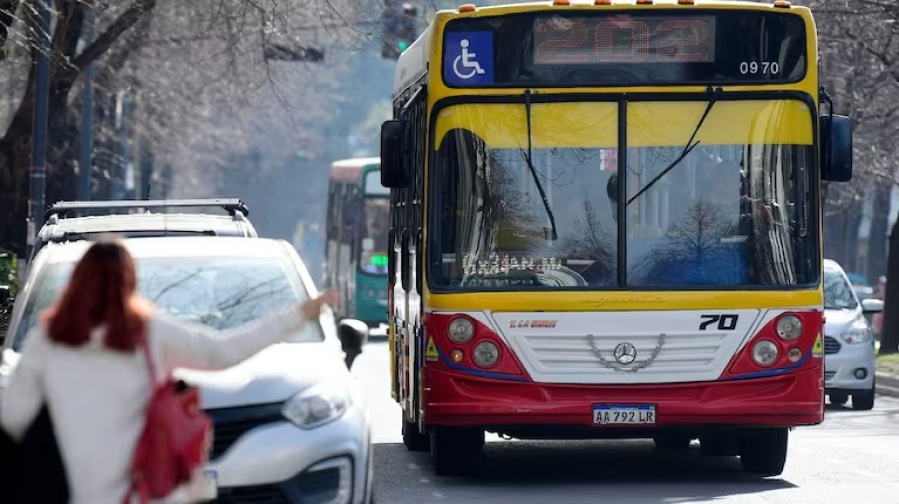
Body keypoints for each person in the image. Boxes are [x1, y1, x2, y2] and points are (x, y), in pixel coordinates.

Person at [0, 238, 338, 504]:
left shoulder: (48, 339)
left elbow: (13, 416)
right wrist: (296, 315)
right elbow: (222, 352)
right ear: (129, 283)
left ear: (77, 283)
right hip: (143, 487)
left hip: (65, 487)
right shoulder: (148, 333)